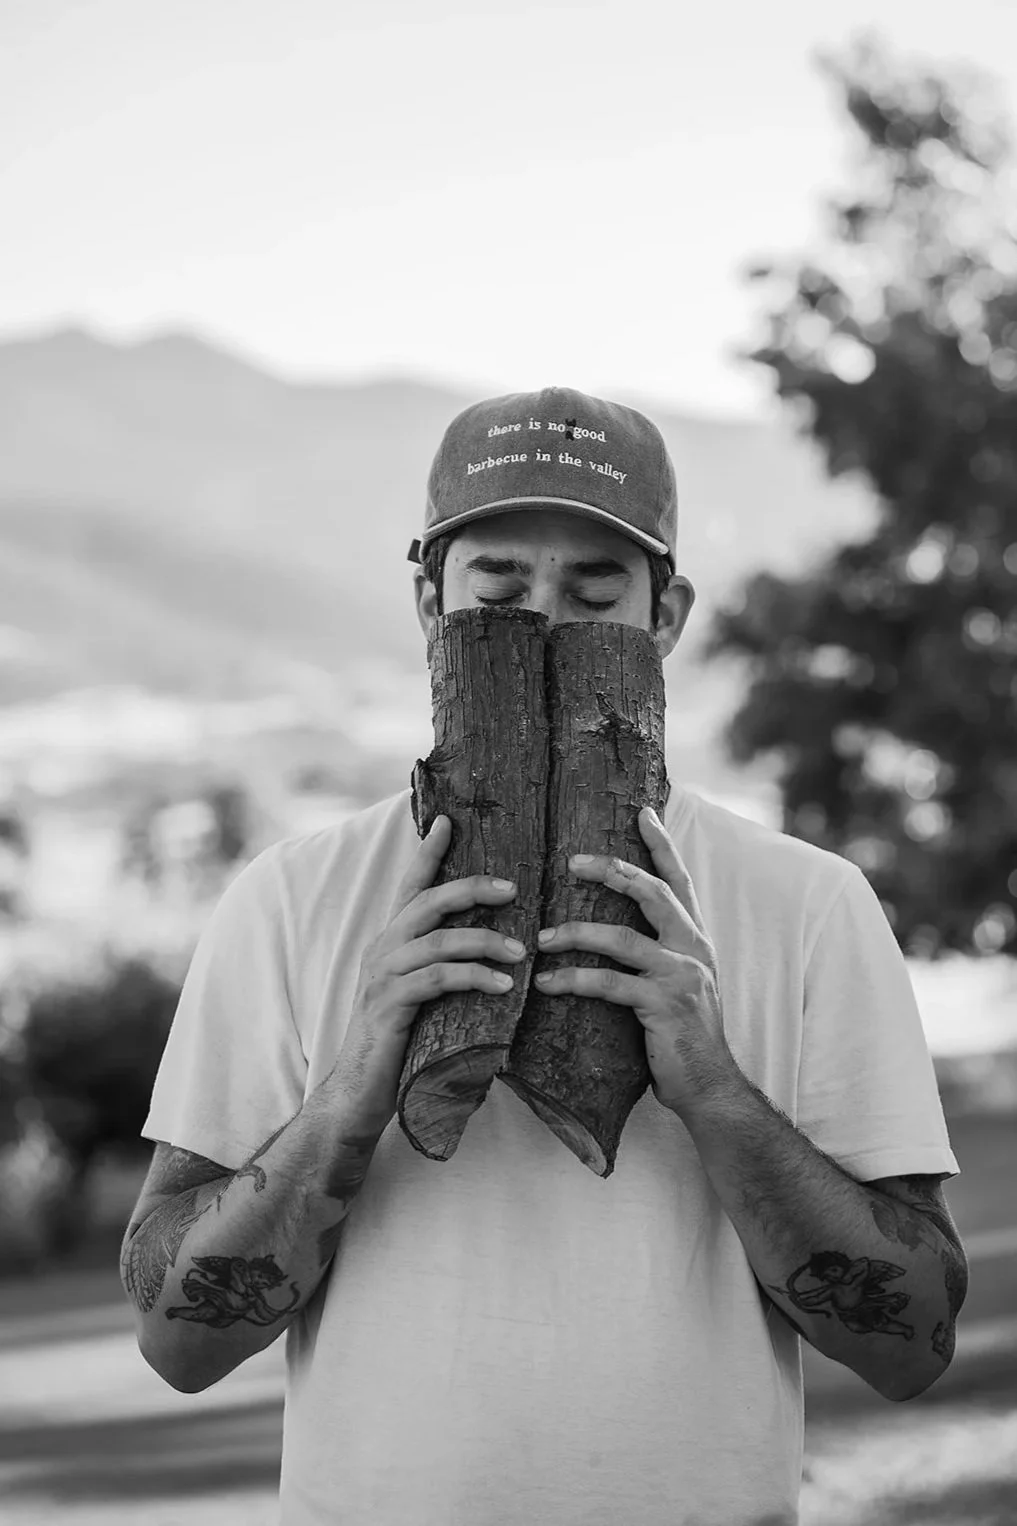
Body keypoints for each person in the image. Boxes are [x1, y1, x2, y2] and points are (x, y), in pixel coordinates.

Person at [122, 386, 966, 1526]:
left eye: (596, 591)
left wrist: (711, 1085)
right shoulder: (287, 900)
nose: (544, 626)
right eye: (499, 586)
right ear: (430, 598)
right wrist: (359, 1077)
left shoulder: (812, 904)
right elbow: (177, 1341)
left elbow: (913, 1344)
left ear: (666, 617)